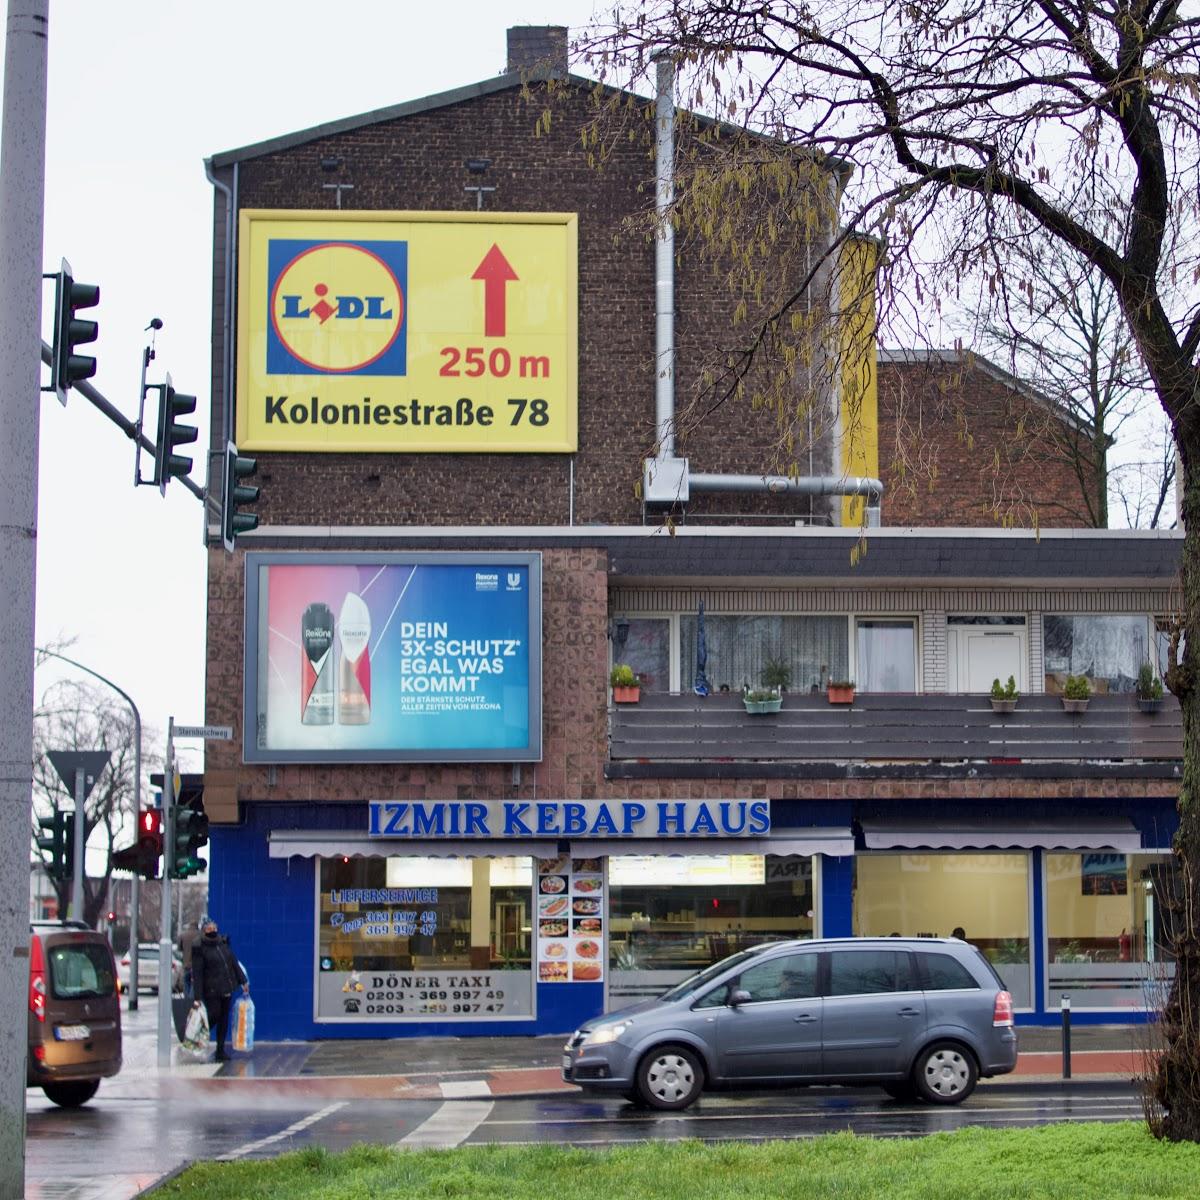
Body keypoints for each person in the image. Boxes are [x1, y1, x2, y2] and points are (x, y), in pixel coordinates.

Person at [190, 916, 249, 1061]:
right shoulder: (200, 948)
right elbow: (197, 973)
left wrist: (243, 981)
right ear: (204, 930)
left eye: (214, 927)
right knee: (215, 1014)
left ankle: (220, 1050)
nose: (213, 929)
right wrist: (197, 997)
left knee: (224, 1018)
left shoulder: (223, 943)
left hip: (227, 987)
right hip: (211, 989)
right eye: (209, 927)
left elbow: (233, 963)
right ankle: (197, 1034)